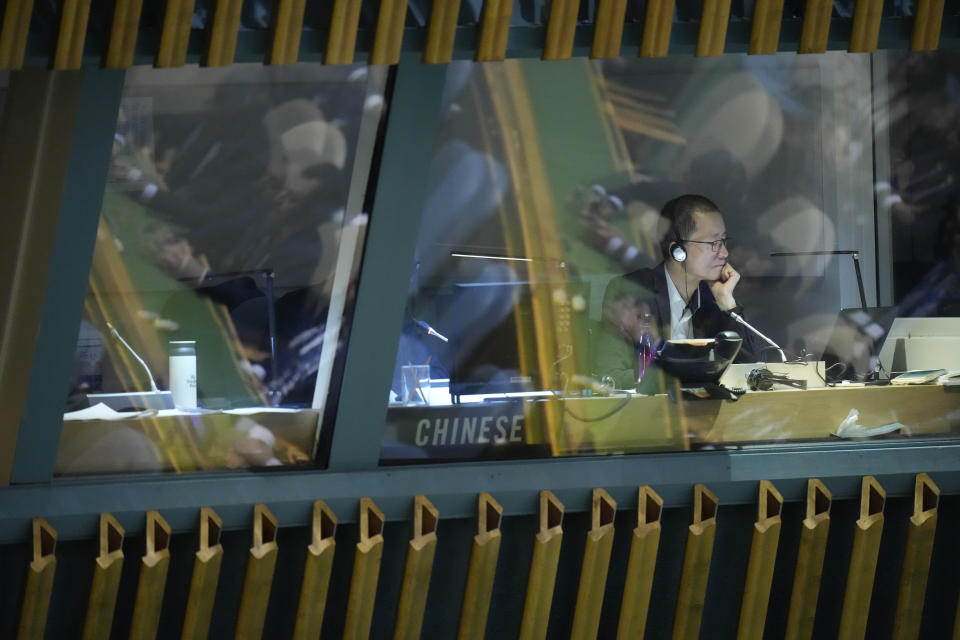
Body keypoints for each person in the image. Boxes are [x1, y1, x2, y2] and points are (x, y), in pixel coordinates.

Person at [597, 194, 766, 387]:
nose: (725, 254)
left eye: (724, 242)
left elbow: (752, 373)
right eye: (714, 244)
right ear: (678, 250)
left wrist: (728, 305)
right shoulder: (632, 290)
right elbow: (610, 377)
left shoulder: (714, 299)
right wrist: (682, 378)